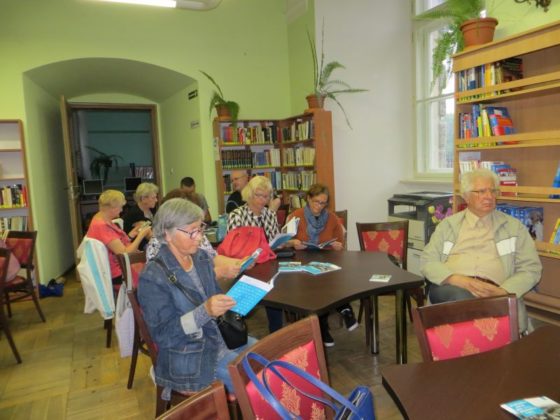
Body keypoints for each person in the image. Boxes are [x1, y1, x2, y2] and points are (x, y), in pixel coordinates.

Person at [137, 198, 255, 395]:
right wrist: (205, 311)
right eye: (192, 231)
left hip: (220, 339)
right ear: (167, 234)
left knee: (273, 359)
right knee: (258, 381)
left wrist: (236, 300)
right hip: (189, 357)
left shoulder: (201, 258)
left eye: (200, 229)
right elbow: (163, 335)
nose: (199, 237)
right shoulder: (153, 276)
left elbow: (215, 298)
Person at [421, 168, 542, 332]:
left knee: (475, 312)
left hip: (495, 293)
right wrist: (458, 280)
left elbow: (531, 268)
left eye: (493, 191)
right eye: (481, 191)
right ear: (466, 196)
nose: (489, 196)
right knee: (462, 298)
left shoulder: (514, 227)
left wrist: (503, 291)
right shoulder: (448, 226)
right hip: (450, 288)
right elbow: (428, 261)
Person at [286, 184, 358, 346]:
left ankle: (333, 318)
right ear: (308, 199)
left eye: (323, 203)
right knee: (316, 282)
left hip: (327, 260)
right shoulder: (295, 216)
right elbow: (285, 242)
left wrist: (337, 246)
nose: (319, 206)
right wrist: (294, 243)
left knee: (331, 278)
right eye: (316, 202)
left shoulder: (331, 218)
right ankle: (336, 315)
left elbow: (340, 242)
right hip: (303, 261)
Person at [145, 188, 245, 282]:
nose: (199, 237)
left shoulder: (196, 233)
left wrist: (239, 263)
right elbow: (173, 284)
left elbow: (213, 258)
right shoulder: (156, 245)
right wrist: (219, 273)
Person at [227, 175, 283, 333]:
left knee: (276, 293)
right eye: (259, 195)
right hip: (246, 267)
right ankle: (236, 331)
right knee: (240, 308)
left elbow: (273, 241)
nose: (262, 200)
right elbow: (233, 248)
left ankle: (276, 333)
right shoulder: (237, 215)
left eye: (266, 196)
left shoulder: (269, 214)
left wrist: (281, 242)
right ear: (250, 193)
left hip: (267, 266)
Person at [86, 190, 152, 291]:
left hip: (118, 266)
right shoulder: (102, 227)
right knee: (155, 273)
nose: (121, 210)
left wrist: (131, 235)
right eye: (120, 207)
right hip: (120, 272)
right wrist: (141, 235)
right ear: (112, 208)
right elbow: (124, 254)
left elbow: (115, 244)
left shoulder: (101, 219)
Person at [123, 182, 159, 250]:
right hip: (138, 248)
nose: (156, 200)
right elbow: (149, 236)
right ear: (143, 199)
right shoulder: (135, 214)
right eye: (153, 198)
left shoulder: (152, 209)